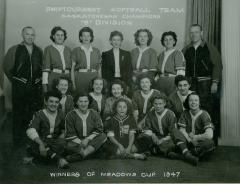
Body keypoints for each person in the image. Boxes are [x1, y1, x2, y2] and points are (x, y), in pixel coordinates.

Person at [3, 26, 43, 147]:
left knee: (33, 114)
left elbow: (41, 68)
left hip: (35, 87)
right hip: (20, 88)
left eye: (32, 35)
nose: (30, 37)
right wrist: (17, 81)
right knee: (19, 114)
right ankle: (18, 142)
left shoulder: (38, 50)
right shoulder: (14, 49)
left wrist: (37, 81)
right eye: (27, 34)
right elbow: (6, 67)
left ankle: (31, 141)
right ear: (22, 35)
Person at [182, 24, 222, 143]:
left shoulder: (210, 47)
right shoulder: (186, 49)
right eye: (191, 32)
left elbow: (218, 66)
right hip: (191, 83)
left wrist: (215, 82)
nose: (194, 34)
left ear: (201, 33)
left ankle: (211, 140)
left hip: (206, 83)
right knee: (191, 108)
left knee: (207, 109)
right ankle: (193, 139)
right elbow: (181, 67)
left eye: (196, 32)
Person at [142, 93, 200, 165]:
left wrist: (163, 140)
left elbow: (173, 132)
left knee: (171, 143)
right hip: (156, 138)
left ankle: (184, 155)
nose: (158, 106)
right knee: (143, 137)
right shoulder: (150, 114)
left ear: (164, 103)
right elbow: (147, 128)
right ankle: (174, 154)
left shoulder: (170, 114)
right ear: (153, 104)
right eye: (155, 104)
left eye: (160, 104)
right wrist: (153, 135)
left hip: (169, 139)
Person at [26, 90, 69, 168]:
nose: (54, 104)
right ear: (46, 102)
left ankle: (36, 158)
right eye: (51, 101)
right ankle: (59, 159)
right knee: (38, 145)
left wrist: (63, 134)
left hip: (54, 142)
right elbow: (30, 130)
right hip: (41, 142)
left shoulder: (61, 114)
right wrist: (41, 144)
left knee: (63, 143)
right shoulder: (39, 114)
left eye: (56, 102)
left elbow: (65, 127)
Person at [65, 93, 107, 162]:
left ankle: (82, 155)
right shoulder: (70, 115)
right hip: (77, 142)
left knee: (103, 136)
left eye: (85, 101)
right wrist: (80, 142)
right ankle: (89, 152)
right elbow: (70, 134)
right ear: (76, 102)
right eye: (80, 101)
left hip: (90, 140)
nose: (83, 104)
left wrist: (87, 139)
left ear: (89, 102)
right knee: (68, 145)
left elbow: (99, 129)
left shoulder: (94, 113)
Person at [176, 92, 215, 163]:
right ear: (187, 102)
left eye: (196, 100)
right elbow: (182, 130)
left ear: (200, 102)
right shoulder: (185, 113)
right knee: (176, 132)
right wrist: (190, 140)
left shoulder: (204, 114)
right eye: (191, 100)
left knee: (210, 143)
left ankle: (184, 155)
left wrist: (195, 137)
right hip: (187, 141)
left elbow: (209, 135)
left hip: (199, 143)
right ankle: (188, 155)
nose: (193, 102)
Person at [71, 27, 101, 94]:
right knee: (81, 99)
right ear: (81, 37)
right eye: (84, 36)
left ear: (91, 37)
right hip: (80, 78)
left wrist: (100, 82)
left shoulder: (96, 51)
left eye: (88, 36)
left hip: (94, 78)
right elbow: (72, 69)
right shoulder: (76, 50)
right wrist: (73, 83)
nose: (86, 38)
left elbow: (99, 69)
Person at [102, 31, 132, 95]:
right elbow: (104, 71)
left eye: (118, 40)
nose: (116, 42)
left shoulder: (127, 54)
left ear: (121, 41)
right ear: (110, 41)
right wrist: (106, 84)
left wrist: (128, 84)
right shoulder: (105, 54)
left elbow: (129, 70)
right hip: (110, 81)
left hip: (123, 81)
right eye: (114, 40)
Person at [42, 26, 72, 92]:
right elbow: (46, 68)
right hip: (54, 77)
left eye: (62, 35)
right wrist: (44, 84)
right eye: (57, 35)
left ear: (64, 37)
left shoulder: (68, 49)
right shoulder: (48, 49)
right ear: (53, 36)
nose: (60, 37)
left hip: (67, 77)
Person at [155, 31, 185, 96]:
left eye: (170, 39)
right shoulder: (161, 54)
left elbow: (181, 73)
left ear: (174, 41)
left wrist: (179, 84)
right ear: (163, 42)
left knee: (171, 102)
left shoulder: (177, 53)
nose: (168, 41)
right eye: (165, 40)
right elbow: (158, 72)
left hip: (172, 81)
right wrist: (156, 80)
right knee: (160, 101)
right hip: (161, 81)